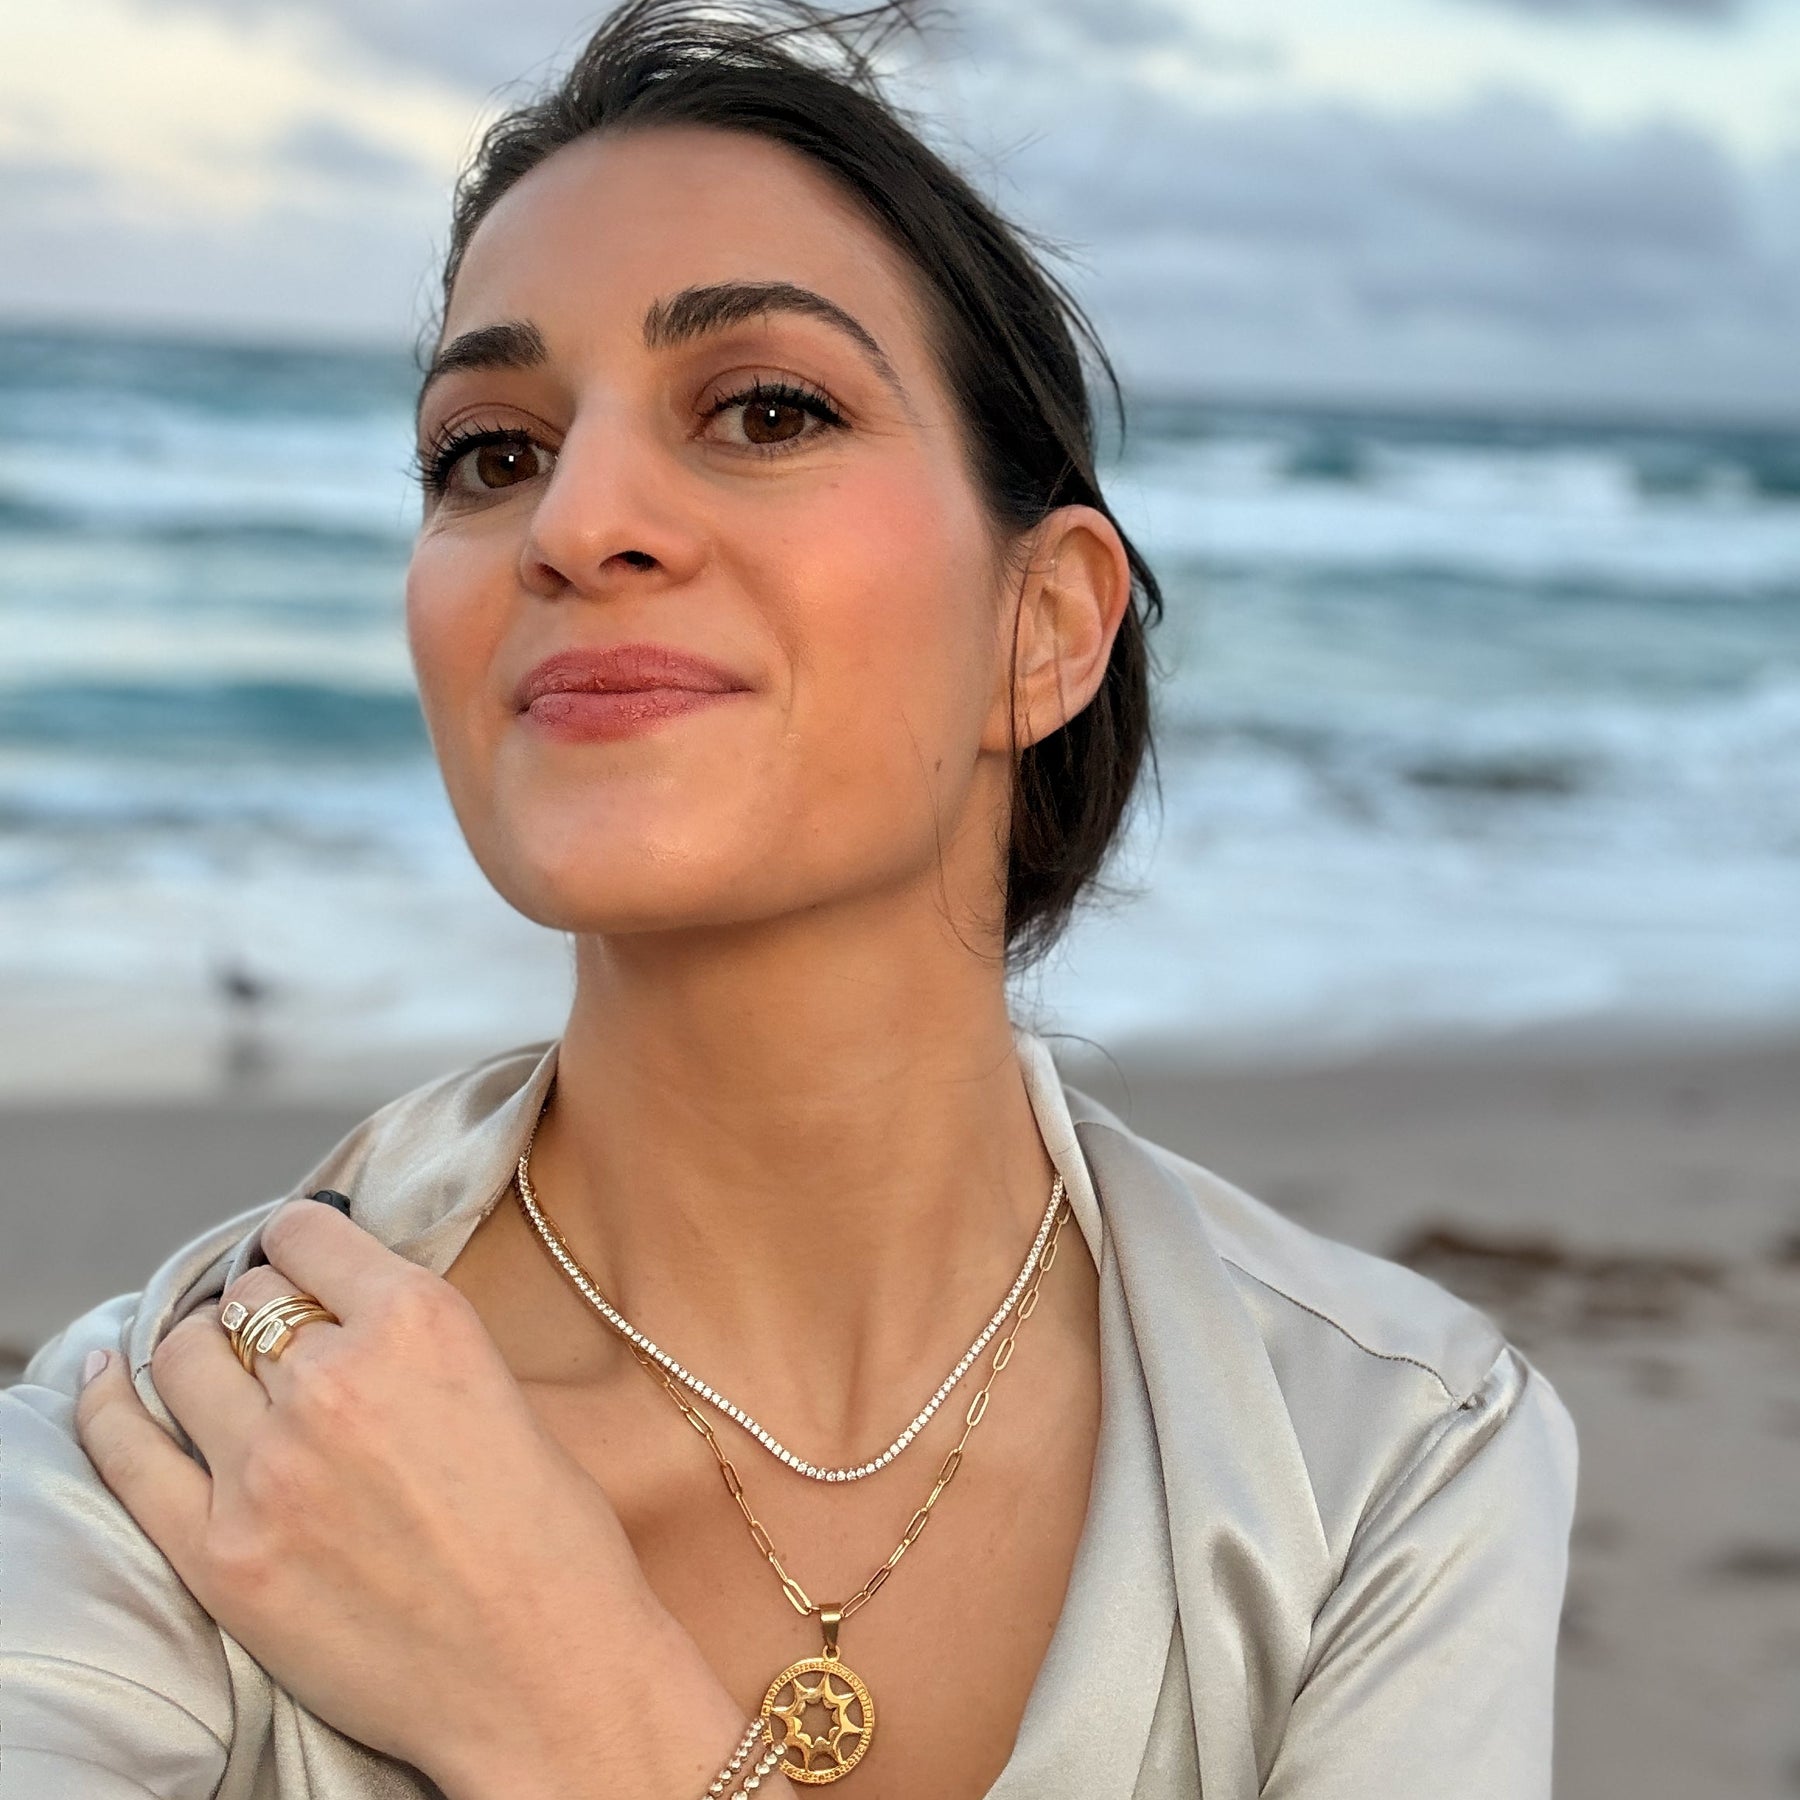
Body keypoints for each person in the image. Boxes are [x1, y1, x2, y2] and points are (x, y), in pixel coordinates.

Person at [0, 3, 1577, 1796]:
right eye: (489, 451)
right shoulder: (192, 1450)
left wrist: (578, 1707)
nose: (574, 522)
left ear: (1045, 623)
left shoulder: (1387, 1458)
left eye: (766, 409)